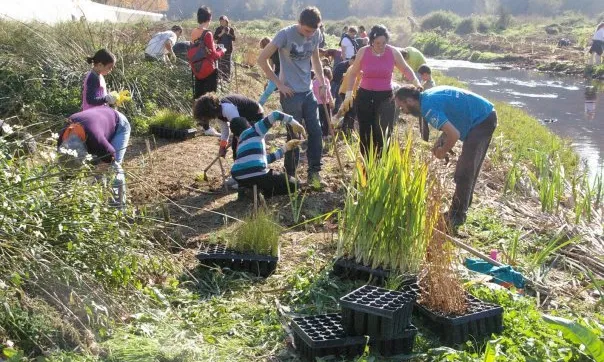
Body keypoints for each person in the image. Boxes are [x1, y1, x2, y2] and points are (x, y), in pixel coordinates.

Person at [394, 85, 498, 228]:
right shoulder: (427, 97)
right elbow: (452, 113)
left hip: (482, 120)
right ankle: (462, 206)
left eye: (402, 107)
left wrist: (442, 152)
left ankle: (457, 216)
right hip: (483, 113)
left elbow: (454, 134)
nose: (403, 112)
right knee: (467, 167)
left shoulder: (428, 108)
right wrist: (442, 140)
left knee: (465, 171)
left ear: (410, 101)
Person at [257, 6, 327, 189]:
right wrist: (279, 84)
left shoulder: (316, 34)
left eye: (313, 31)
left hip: (308, 91)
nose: (309, 35)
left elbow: (316, 60)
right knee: (294, 134)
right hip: (290, 94)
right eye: (306, 31)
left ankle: (314, 172)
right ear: (299, 23)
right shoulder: (285, 35)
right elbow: (261, 59)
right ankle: (290, 176)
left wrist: (322, 82)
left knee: (316, 131)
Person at [341, 25, 420, 156]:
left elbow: (405, 69)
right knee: (365, 131)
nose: (381, 45)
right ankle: (367, 162)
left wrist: (415, 81)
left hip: (385, 98)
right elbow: (353, 73)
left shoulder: (393, 52)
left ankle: (381, 163)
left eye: (383, 43)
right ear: (371, 41)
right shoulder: (363, 52)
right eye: (377, 43)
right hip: (365, 96)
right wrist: (349, 93)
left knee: (383, 132)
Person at [57, 106, 131, 208]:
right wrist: (61, 194)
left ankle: (117, 209)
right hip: (99, 121)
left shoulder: (96, 140)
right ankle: (98, 201)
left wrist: (94, 179)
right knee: (94, 170)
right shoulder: (62, 141)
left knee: (114, 172)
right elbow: (65, 169)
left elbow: (110, 157)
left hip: (119, 124)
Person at [230, 112, 306, 197]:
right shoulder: (255, 130)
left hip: (238, 176)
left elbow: (264, 160)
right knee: (294, 184)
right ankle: (262, 193)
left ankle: (248, 190)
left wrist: (285, 148)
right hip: (258, 174)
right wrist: (294, 123)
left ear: (236, 136)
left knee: (254, 177)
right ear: (249, 125)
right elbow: (275, 115)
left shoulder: (240, 142)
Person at [193, 93, 264, 159]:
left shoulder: (228, 109)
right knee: (236, 146)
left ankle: (248, 165)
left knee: (245, 145)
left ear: (208, 111)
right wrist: (222, 147)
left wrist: (239, 146)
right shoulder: (219, 113)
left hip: (255, 115)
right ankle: (239, 166)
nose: (204, 119)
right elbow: (225, 130)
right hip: (244, 119)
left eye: (203, 116)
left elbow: (240, 130)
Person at [191, 6, 225, 137]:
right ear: (209, 18)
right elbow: (214, 56)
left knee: (199, 95)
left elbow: (199, 49)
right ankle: (207, 127)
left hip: (197, 68)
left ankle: (201, 122)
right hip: (208, 69)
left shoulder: (194, 32)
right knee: (209, 97)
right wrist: (222, 51)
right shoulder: (208, 33)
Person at [258, 37, 280, 106]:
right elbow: (270, 67)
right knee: (268, 90)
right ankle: (258, 106)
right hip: (277, 73)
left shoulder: (279, 49)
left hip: (285, 72)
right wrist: (270, 78)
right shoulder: (270, 54)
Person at [312, 67, 334, 137]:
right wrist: (331, 100)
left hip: (317, 103)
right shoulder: (326, 80)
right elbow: (328, 92)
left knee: (320, 119)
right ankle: (325, 134)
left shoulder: (314, 82)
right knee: (326, 120)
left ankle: (320, 133)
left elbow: (313, 93)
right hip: (325, 103)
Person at [214, 15, 236, 83]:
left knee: (227, 63)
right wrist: (222, 33)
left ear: (226, 21)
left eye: (223, 21)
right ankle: (220, 77)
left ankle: (226, 78)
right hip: (220, 49)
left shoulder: (231, 29)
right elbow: (215, 38)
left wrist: (228, 33)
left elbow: (234, 38)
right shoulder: (218, 29)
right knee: (220, 63)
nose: (222, 22)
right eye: (220, 21)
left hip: (228, 49)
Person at [417, 64, 435, 141]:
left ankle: (424, 139)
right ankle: (423, 138)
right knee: (422, 124)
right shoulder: (426, 81)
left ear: (425, 74)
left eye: (421, 76)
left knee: (423, 124)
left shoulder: (430, 85)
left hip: (426, 107)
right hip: (424, 106)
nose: (421, 77)